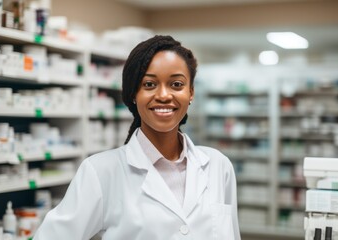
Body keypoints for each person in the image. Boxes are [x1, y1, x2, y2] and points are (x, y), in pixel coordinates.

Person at [33, 35, 241, 240]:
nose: (164, 95)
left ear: (191, 92)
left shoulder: (218, 166)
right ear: (134, 93)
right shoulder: (100, 172)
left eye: (176, 84)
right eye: (149, 84)